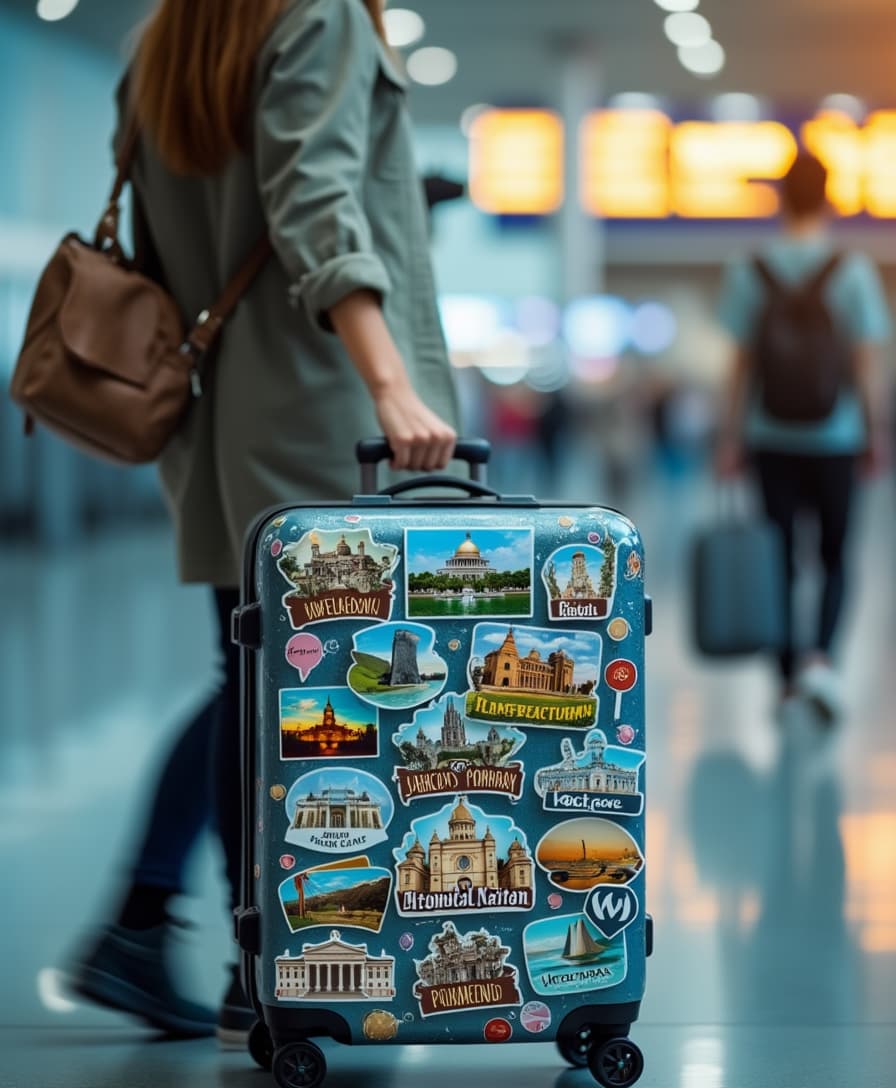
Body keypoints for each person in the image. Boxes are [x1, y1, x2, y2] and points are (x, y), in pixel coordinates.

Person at [71, 0, 459, 1043]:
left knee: (256, 675)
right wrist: (389, 384)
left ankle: (253, 957)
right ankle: (151, 921)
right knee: (298, 682)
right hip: (316, 400)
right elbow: (314, 198)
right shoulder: (318, 15)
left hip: (221, 413)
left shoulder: (170, 35)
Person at [716, 150, 890, 722]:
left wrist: (729, 438)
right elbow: (865, 364)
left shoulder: (751, 268)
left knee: (780, 558)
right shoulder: (853, 269)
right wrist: (873, 431)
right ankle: (822, 662)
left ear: (780, 198)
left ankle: (787, 677)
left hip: (770, 435)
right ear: (829, 197)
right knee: (836, 556)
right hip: (837, 436)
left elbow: (739, 367)